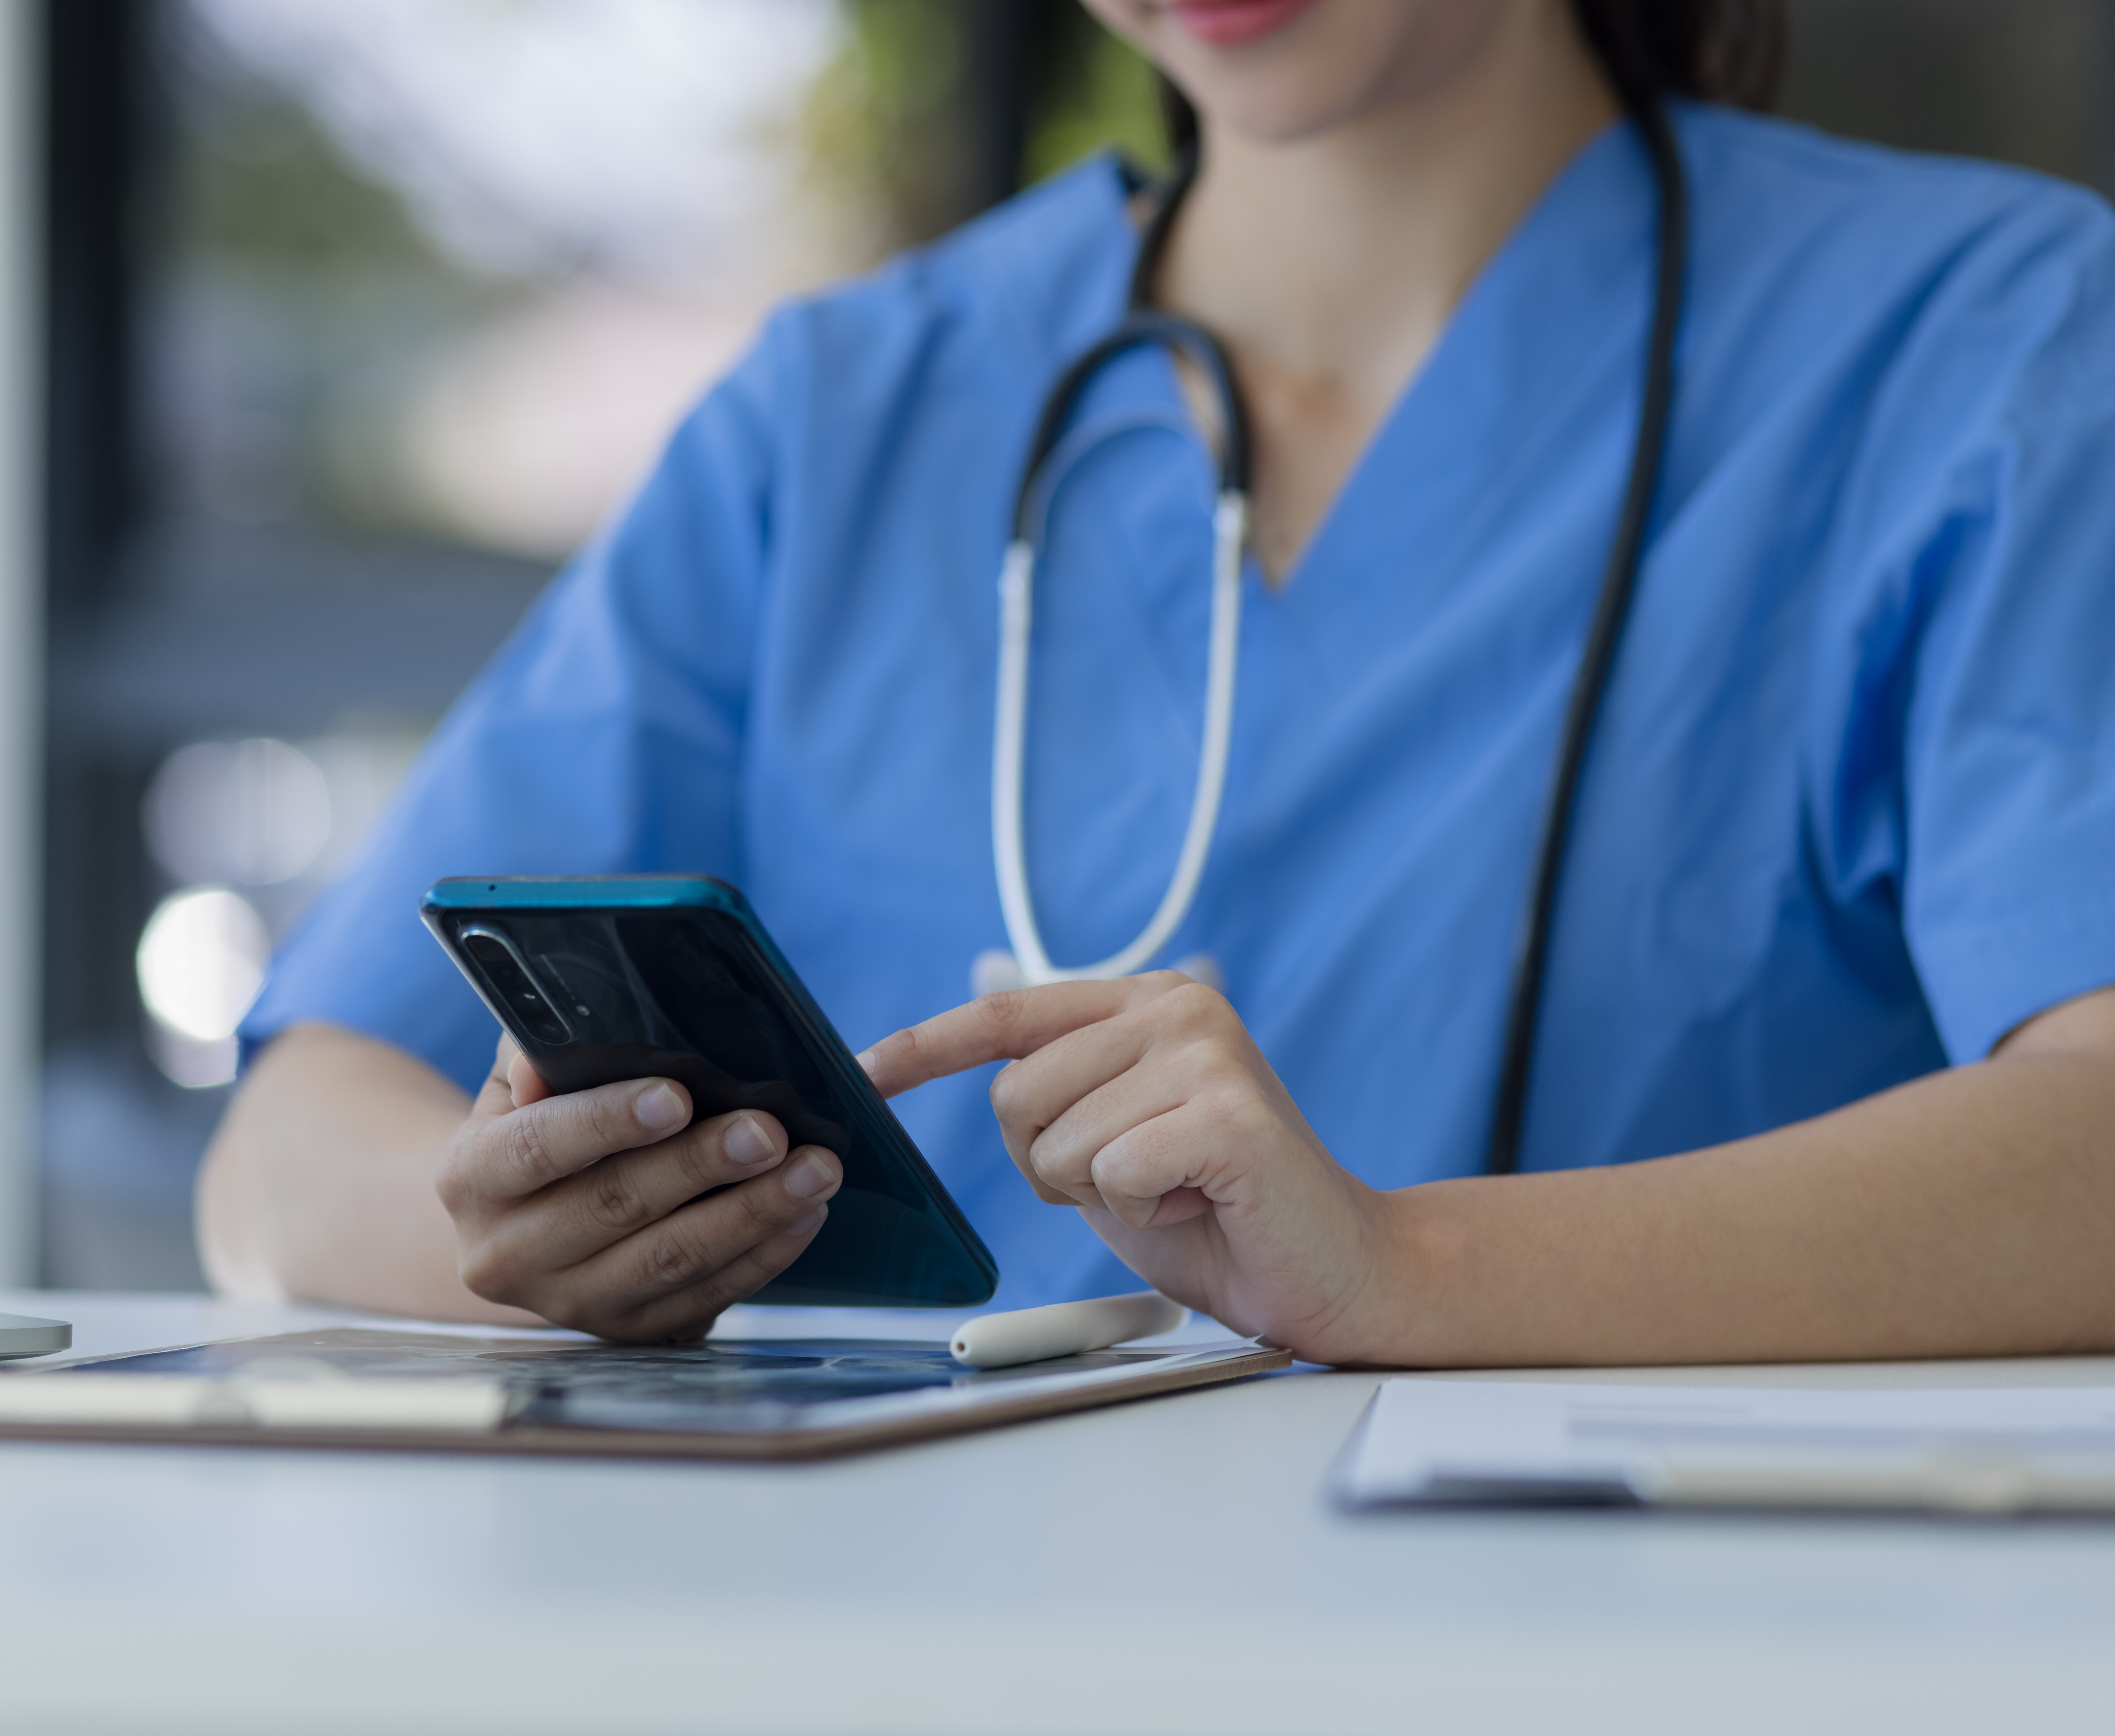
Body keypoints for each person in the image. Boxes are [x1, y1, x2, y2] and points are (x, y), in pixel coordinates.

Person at [197, 0, 2115, 1366]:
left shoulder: (1990, 344)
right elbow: (285, 1163)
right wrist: (538, 1244)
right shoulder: (845, 415)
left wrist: (1401, 1268)